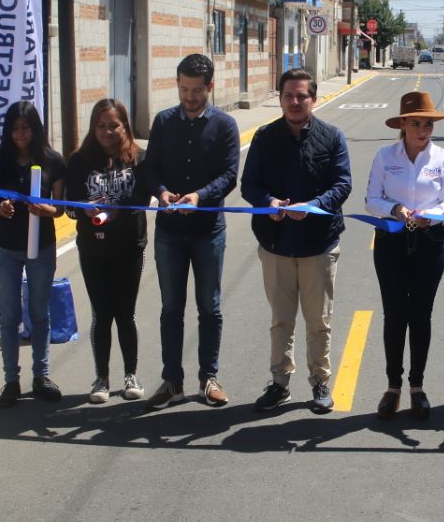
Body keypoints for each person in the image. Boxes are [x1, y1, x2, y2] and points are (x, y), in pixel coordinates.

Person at [241, 68, 353, 415]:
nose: (294, 102)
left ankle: (320, 381)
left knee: (318, 322)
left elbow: (342, 184)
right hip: (275, 245)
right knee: (281, 321)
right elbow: (249, 185)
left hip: (318, 246)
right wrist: (268, 203)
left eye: (301, 96)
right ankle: (279, 383)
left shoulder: (332, 137)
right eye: (288, 95)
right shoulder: (264, 137)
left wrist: (314, 206)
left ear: (313, 99)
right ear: (280, 98)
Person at [142, 53, 240, 410]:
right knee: (171, 309)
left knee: (209, 308)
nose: (189, 97)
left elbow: (229, 175)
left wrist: (200, 196)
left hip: (208, 232)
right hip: (169, 232)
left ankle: (208, 378)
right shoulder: (163, 122)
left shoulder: (225, 126)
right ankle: (172, 382)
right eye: (183, 89)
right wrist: (162, 192)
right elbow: (149, 169)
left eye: (197, 90)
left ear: (210, 87)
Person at [364, 91, 444, 419]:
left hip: (430, 242)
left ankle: (417, 387)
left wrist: (430, 216)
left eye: (428, 124)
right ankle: (393, 386)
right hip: (391, 241)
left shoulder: (443, 158)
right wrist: (394, 209)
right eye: (416, 123)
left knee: (421, 315)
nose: (423, 130)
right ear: (403, 124)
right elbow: (371, 200)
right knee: (394, 314)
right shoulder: (384, 156)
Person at [66, 98, 151, 404]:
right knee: (101, 314)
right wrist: (84, 209)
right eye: (100, 125)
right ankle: (101, 378)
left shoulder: (139, 158)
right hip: (93, 249)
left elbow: (143, 199)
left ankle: (131, 375)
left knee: (125, 314)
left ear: (124, 126)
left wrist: (119, 211)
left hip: (129, 247)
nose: (107, 131)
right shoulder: (79, 161)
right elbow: (69, 207)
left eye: (113, 125)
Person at [0, 101, 67, 407]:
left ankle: (41, 377)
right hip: (5, 249)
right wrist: (1, 209)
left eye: (26, 128)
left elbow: (60, 208)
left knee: (40, 313)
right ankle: (11, 381)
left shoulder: (53, 161)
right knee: (9, 316)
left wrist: (47, 210)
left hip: (41, 247)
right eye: (15, 128)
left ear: (36, 129)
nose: (20, 134)